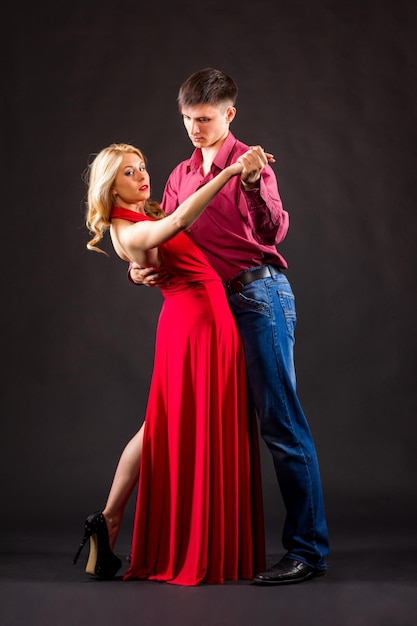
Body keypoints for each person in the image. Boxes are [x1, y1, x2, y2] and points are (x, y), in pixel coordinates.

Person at [129, 68, 330, 585]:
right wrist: (139, 263)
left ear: (229, 114)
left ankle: (308, 551)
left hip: (258, 296)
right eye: (187, 120)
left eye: (204, 119)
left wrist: (254, 182)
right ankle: (212, 546)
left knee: (279, 423)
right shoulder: (178, 175)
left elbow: (274, 231)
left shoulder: (253, 164)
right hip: (208, 310)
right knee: (212, 427)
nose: (195, 128)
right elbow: (170, 236)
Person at [73, 141, 269, 585]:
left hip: (208, 322)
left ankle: (108, 521)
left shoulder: (142, 217)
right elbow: (181, 221)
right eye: (128, 172)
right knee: (168, 424)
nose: (142, 176)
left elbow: (175, 242)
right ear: (110, 186)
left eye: (142, 167)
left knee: (162, 424)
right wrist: (230, 171)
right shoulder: (128, 229)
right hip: (194, 327)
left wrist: (136, 270)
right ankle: (113, 519)